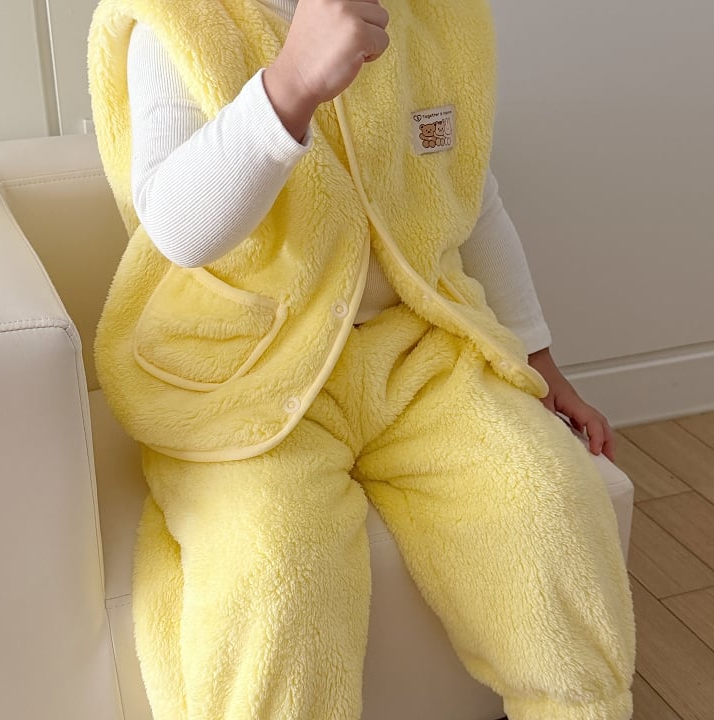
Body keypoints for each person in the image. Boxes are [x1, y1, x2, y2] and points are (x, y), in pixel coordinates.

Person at [88, 0, 636, 718]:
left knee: (545, 500)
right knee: (277, 563)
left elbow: (471, 202)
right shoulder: (182, 22)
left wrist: (542, 361)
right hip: (244, 369)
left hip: (414, 351)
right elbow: (177, 230)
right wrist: (290, 85)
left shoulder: (434, 21)